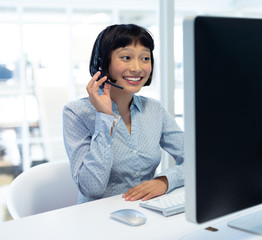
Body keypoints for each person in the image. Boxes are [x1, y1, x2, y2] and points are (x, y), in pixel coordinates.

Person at [62, 24, 184, 204]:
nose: (137, 68)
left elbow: (198, 160)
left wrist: (164, 181)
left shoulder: (154, 109)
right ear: (103, 62)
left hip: (147, 213)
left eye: (145, 58)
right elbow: (92, 189)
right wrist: (105, 118)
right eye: (126, 57)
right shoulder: (76, 113)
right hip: (98, 218)